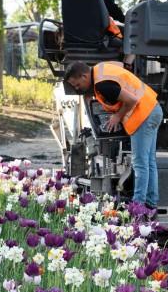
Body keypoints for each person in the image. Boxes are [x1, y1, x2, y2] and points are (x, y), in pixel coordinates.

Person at [62, 61, 162, 210]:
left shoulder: (103, 85)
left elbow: (131, 100)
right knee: (149, 162)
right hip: (153, 109)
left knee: (140, 163)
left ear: (84, 76)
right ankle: (150, 202)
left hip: (143, 116)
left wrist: (118, 116)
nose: (77, 89)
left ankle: (138, 205)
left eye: (77, 85)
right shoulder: (100, 70)